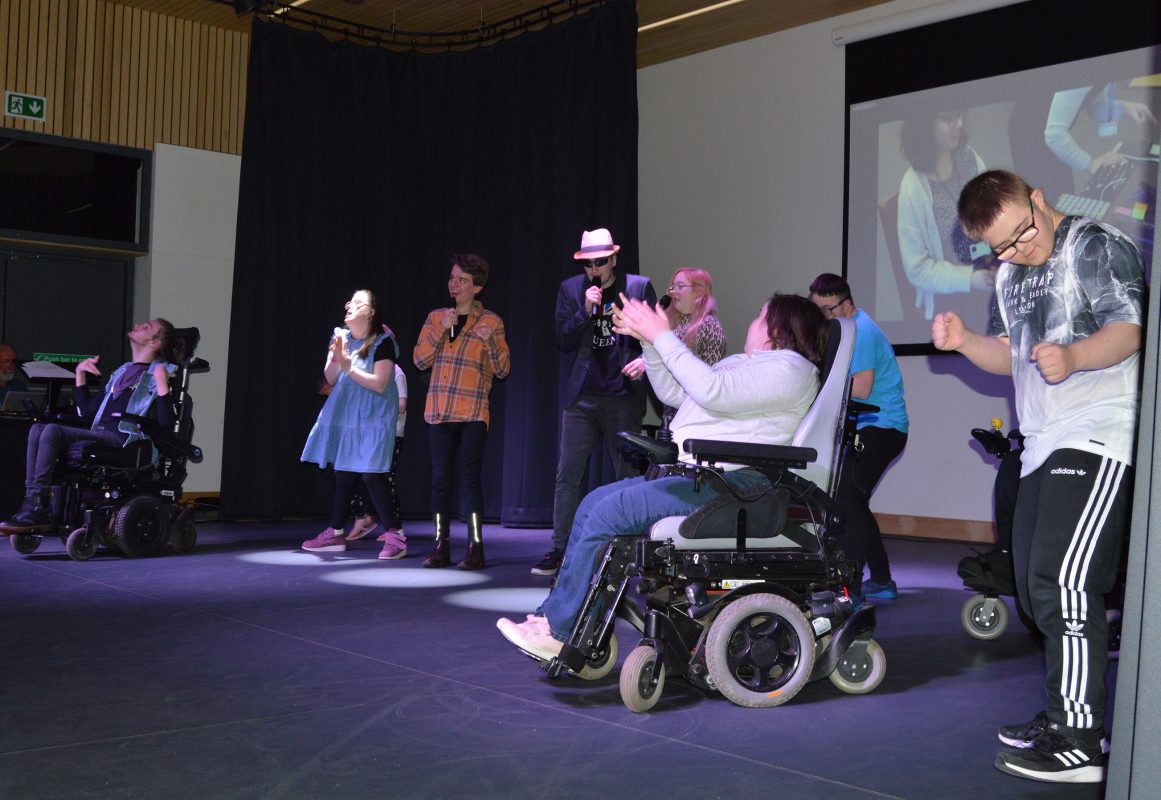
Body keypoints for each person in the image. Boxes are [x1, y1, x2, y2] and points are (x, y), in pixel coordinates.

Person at [934, 169, 1143, 784]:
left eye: (1022, 232)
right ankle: (1061, 715)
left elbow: (1131, 328)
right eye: (1001, 245)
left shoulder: (1095, 244)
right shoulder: (1009, 275)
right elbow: (1011, 354)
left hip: (1103, 430)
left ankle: (1080, 740)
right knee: (1031, 587)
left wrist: (1076, 355)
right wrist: (968, 340)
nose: (1017, 249)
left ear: (1039, 201)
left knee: (1067, 579)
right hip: (1042, 443)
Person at [498, 293, 826, 661]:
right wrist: (648, 342)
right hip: (707, 476)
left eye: (759, 315)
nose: (753, 321)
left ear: (777, 329)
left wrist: (662, 336)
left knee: (610, 513)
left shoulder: (791, 369)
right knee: (593, 503)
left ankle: (560, 631)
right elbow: (677, 393)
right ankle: (561, 622)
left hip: (736, 486)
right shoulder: (747, 364)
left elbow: (711, 390)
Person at [532, 228, 657, 577]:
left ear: (614, 259)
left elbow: (655, 333)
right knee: (567, 474)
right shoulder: (572, 290)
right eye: (588, 264)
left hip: (622, 397)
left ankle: (631, 550)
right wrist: (586, 310)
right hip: (582, 397)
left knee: (628, 475)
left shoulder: (637, 287)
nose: (594, 270)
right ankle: (560, 549)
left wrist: (645, 360)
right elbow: (563, 339)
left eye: (600, 262)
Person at [1, 320, 179, 531]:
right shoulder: (122, 372)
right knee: (37, 428)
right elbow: (87, 412)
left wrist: (161, 383)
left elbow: (165, 424)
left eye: (147, 326)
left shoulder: (159, 373)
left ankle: (40, 504)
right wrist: (80, 375)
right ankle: (31, 502)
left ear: (155, 342)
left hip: (123, 439)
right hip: (100, 433)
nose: (140, 325)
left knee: (52, 431)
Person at [808, 273, 908, 600]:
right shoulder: (848, 329)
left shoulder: (861, 332)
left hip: (882, 428)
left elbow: (862, 388)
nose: (823, 317)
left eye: (828, 309)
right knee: (854, 501)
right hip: (872, 427)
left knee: (849, 502)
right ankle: (880, 580)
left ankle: (852, 587)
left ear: (847, 304)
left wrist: (818, 385)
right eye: (817, 310)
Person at [413, 254, 510, 570]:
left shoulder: (491, 322)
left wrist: (491, 344)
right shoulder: (436, 317)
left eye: (463, 280)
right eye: (453, 278)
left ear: (477, 287)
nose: (455, 285)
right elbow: (419, 361)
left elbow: (503, 369)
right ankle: (440, 546)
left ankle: (475, 547)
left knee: (468, 480)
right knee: (440, 480)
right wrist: (440, 330)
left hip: (472, 412)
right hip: (440, 411)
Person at [300, 290, 406, 559]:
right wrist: (337, 358)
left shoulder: (383, 341)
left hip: (374, 417)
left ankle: (395, 536)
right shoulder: (340, 336)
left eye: (359, 302)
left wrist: (349, 366)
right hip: (347, 416)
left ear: (370, 312)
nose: (349, 305)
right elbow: (331, 378)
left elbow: (381, 383)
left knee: (372, 474)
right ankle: (335, 533)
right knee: (344, 473)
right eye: (349, 301)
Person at [897, 109, 994, 320]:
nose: (959, 124)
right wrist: (971, 279)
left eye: (960, 115)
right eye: (948, 118)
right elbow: (918, 269)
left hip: (985, 266)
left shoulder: (970, 158)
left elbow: (991, 216)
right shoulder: (913, 188)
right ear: (925, 125)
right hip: (950, 293)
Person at [342, 363, 409, 550]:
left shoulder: (396, 372)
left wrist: (376, 409)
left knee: (384, 478)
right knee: (350, 473)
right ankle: (364, 517)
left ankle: (395, 529)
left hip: (391, 433)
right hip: (369, 432)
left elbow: (402, 405)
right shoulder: (366, 371)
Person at [652, 267, 726, 433]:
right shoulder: (672, 326)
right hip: (671, 417)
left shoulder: (708, 326)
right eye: (672, 287)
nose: (673, 292)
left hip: (693, 421)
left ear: (698, 291)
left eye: (680, 286)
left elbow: (708, 379)